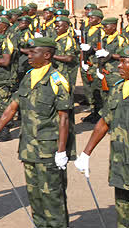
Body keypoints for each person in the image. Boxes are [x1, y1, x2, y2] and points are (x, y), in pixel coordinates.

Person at [0, 37, 74, 228]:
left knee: (52, 197)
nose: (29, 56)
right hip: (29, 147)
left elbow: (64, 119)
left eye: (34, 52)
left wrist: (61, 151)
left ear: (47, 55)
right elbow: (12, 106)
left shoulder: (57, 81)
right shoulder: (29, 76)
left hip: (49, 149)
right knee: (35, 196)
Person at [73, 46, 129, 228]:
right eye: (119, 61)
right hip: (121, 165)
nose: (118, 66)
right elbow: (105, 121)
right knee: (123, 213)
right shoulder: (118, 88)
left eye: (124, 61)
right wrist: (86, 154)